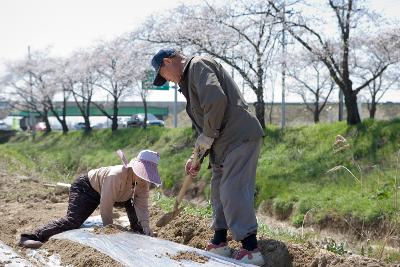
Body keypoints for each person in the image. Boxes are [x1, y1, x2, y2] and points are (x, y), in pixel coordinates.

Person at [151, 49, 265, 265]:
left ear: (168, 61)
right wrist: (197, 156)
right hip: (222, 144)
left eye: (163, 74)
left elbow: (215, 100)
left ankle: (251, 248)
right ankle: (219, 241)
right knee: (218, 191)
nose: (166, 80)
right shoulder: (188, 81)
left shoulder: (198, 65)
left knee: (232, 189)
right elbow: (205, 124)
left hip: (238, 137)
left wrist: (208, 136)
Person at [19, 150, 161, 249]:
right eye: (143, 174)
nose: (144, 179)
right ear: (135, 168)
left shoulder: (143, 184)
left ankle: (141, 232)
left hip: (122, 195)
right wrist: (109, 228)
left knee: (139, 227)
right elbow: (106, 203)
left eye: (147, 176)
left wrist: (146, 227)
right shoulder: (116, 175)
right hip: (87, 188)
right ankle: (32, 237)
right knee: (73, 221)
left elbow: (142, 206)